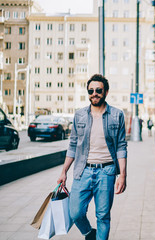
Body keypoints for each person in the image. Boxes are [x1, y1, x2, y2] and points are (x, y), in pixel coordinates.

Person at [57, 74, 127, 240]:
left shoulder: (117, 115)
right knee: (75, 212)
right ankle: (89, 233)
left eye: (98, 90)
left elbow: (121, 147)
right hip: (83, 171)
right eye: (91, 90)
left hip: (107, 171)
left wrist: (122, 175)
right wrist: (63, 171)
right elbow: (73, 145)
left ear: (106, 92)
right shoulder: (80, 115)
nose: (94, 93)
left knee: (103, 216)